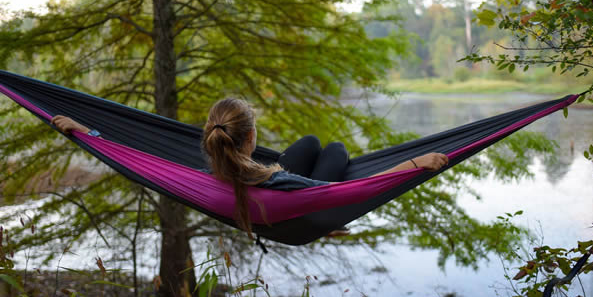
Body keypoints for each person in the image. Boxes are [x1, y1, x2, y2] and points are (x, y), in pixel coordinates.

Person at [50, 98, 448, 238]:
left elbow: (138, 159)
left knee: (310, 143)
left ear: (213, 134)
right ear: (251, 138)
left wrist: (89, 133)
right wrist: (415, 163)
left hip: (250, 189)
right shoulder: (281, 181)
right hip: (302, 210)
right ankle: (333, 223)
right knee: (336, 149)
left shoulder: (206, 171)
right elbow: (347, 192)